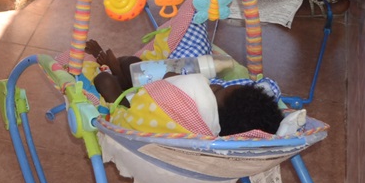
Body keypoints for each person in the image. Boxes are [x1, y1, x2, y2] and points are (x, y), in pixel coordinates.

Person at [84, 39, 283, 136]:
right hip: (151, 101)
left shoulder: (197, 92)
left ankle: (115, 73)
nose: (214, 85)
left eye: (216, 90)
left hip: (132, 114)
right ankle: (118, 73)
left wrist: (182, 77)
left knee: (106, 81)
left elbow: (168, 77)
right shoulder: (212, 131)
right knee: (132, 64)